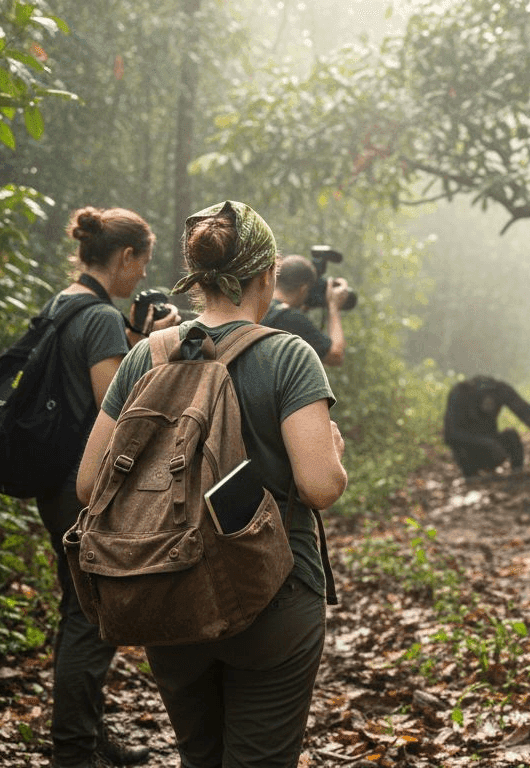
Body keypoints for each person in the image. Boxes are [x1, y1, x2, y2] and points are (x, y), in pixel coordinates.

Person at [76, 200, 347, 767]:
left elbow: (88, 485)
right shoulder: (289, 356)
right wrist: (335, 453)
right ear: (267, 274)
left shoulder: (147, 355)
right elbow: (319, 487)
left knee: (200, 758)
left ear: (198, 278)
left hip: (168, 590)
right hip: (275, 592)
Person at [39, 206, 179, 768]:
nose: (143, 276)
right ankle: (74, 750)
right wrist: (160, 347)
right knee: (90, 617)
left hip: (53, 478)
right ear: (124, 257)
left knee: (78, 605)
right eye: (141, 264)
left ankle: (89, 735)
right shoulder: (97, 316)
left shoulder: (63, 301)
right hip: (81, 485)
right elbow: (116, 407)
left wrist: (135, 336)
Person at [443, 375, 530, 478]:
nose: (489, 403)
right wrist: (487, 444)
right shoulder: (461, 393)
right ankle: (472, 476)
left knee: (511, 435)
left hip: (492, 449)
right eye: (485, 398)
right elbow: (450, 435)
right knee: (461, 447)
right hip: (469, 453)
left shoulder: (500, 390)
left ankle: (516, 474)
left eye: (492, 398)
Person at [261, 253, 352, 366]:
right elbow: (336, 355)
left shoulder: (258, 306)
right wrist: (334, 307)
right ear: (303, 290)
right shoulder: (289, 318)